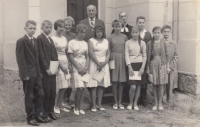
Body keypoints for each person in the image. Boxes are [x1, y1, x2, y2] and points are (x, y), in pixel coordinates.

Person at [16, 20, 44, 126]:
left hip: (36, 73)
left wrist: (39, 72)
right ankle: (30, 117)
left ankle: (38, 115)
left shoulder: (36, 41)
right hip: (28, 74)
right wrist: (24, 74)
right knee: (29, 96)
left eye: (34, 28)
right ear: (25, 29)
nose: (32, 30)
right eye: (30, 28)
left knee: (40, 94)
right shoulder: (21, 41)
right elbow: (20, 59)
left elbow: (37, 58)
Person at [37, 20, 58, 120]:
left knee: (52, 91)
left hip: (53, 69)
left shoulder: (50, 39)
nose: (49, 29)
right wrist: (46, 68)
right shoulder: (40, 39)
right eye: (46, 27)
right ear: (42, 28)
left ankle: (51, 111)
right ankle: (44, 112)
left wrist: (55, 67)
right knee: (46, 91)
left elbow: (54, 54)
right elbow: (41, 55)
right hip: (45, 71)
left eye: (50, 27)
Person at [88, 25, 111, 112]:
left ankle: (99, 104)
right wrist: (98, 63)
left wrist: (105, 62)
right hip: (94, 64)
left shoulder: (106, 41)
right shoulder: (91, 41)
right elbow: (90, 53)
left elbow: (108, 53)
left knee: (101, 85)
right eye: (97, 32)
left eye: (101, 32)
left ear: (103, 32)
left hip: (104, 64)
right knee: (94, 85)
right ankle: (93, 105)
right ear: (95, 32)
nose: (99, 33)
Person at [146, 26, 170, 111]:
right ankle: (155, 103)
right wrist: (148, 68)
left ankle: (160, 103)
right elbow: (148, 56)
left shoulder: (164, 43)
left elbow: (167, 56)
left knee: (161, 85)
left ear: (161, 33)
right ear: (153, 33)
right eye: (155, 33)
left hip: (162, 65)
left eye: (158, 33)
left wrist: (167, 67)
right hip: (153, 65)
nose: (157, 34)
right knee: (155, 84)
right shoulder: (149, 43)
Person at [68, 24, 89, 115]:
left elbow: (87, 56)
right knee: (79, 87)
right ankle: (76, 107)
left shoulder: (85, 43)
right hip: (76, 65)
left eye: (84, 32)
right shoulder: (72, 42)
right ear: (77, 32)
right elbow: (70, 56)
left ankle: (80, 107)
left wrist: (85, 67)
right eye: (81, 32)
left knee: (83, 88)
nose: (82, 34)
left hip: (84, 66)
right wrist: (78, 67)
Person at [125, 26, 147, 110]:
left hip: (140, 64)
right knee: (133, 86)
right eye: (133, 32)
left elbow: (145, 56)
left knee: (138, 86)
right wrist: (129, 66)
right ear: (131, 33)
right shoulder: (128, 42)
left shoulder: (142, 43)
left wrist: (142, 67)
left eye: (136, 32)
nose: (134, 34)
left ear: (138, 33)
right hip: (131, 65)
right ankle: (130, 102)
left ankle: (135, 103)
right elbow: (126, 55)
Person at [51, 19, 71, 113]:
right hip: (56, 62)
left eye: (63, 26)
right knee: (59, 86)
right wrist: (60, 66)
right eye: (60, 26)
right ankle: (55, 106)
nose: (62, 28)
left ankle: (60, 104)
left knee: (65, 86)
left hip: (65, 61)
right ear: (56, 27)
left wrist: (68, 64)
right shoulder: (53, 39)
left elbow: (66, 52)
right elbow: (53, 54)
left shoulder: (64, 38)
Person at [108, 20, 128, 110]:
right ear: (113, 27)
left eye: (119, 26)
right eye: (116, 26)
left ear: (121, 27)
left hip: (122, 58)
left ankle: (120, 102)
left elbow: (127, 49)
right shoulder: (110, 37)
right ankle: (115, 102)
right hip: (113, 58)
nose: (117, 28)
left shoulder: (125, 37)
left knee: (121, 82)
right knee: (114, 81)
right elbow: (108, 50)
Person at [136, 16, 152, 106]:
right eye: (139, 22)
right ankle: (137, 99)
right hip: (136, 59)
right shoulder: (134, 33)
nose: (141, 24)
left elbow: (150, 47)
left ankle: (144, 99)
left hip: (145, 59)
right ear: (137, 23)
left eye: (143, 22)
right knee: (137, 78)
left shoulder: (148, 34)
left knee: (144, 79)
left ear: (144, 23)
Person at [161, 25, 178, 103]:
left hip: (170, 66)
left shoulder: (173, 43)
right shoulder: (160, 42)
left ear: (170, 32)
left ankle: (169, 100)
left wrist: (171, 66)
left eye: (168, 32)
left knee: (170, 83)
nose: (166, 34)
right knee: (161, 83)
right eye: (165, 32)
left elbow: (176, 56)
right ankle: (160, 100)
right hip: (161, 66)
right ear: (162, 32)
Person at [62, 16, 76, 108]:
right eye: (66, 25)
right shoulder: (61, 34)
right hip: (64, 59)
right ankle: (63, 100)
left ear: (72, 25)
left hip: (71, 58)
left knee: (71, 80)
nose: (68, 26)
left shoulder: (74, 35)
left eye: (69, 25)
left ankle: (70, 99)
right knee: (64, 80)